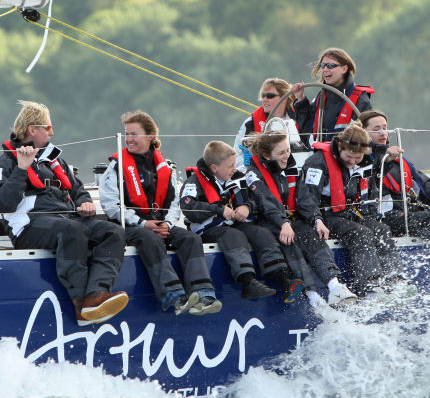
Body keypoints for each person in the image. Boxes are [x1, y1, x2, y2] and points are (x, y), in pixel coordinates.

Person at [0, 100, 128, 326]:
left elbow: (78, 190)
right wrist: (22, 168)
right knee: (72, 230)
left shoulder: (55, 160)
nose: (53, 132)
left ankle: (96, 296)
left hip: (67, 220)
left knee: (113, 232)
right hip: (29, 227)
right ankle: (82, 305)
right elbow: (0, 203)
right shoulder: (6, 163)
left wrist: (85, 203)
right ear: (33, 130)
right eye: (48, 127)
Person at [99, 110, 222, 316]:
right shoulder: (116, 167)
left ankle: (204, 294)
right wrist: (142, 223)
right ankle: (172, 295)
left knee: (190, 239)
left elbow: (174, 203)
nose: (128, 139)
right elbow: (111, 205)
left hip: (160, 224)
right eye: (126, 134)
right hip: (130, 227)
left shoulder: (164, 167)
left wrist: (168, 224)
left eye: (133, 134)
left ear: (150, 137)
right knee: (149, 238)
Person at [180, 140, 303, 302]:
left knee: (259, 232)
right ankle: (248, 282)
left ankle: (283, 277)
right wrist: (219, 209)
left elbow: (253, 198)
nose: (234, 169)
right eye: (230, 166)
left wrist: (246, 207)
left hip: (234, 223)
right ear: (214, 168)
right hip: (209, 228)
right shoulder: (194, 182)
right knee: (233, 235)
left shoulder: (237, 178)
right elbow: (188, 205)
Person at [245, 130, 358, 307]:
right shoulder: (253, 174)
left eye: (288, 150)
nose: (286, 156)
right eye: (281, 153)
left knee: (311, 234)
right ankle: (313, 297)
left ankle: (334, 286)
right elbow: (266, 202)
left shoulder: (293, 168)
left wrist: (317, 220)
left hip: (291, 221)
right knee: (289, 242)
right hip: (268, 222)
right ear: (267, 155)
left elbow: (305, 198)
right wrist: (283, 223)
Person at [296, 120, 401, 294]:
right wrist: (317, 220)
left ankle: (394, 278)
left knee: (381, 229)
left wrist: (388, 158)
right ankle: (368, 284)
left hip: (351, 213)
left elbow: (375, 178)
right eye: (348, 157)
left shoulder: (365, 160)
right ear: (339, 147)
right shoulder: (317, 163)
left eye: (357, 158)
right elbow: (306, 198)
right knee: (360, 233)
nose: (352, 161)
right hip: (326, 216)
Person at [358, 110, 430, 241]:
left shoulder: (399, 160)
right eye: (377, 129)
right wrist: (384, 159)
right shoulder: (359, 159)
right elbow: (371, 181)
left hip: (408, 212)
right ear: (363, 132)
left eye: (385, 128)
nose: (383, 133)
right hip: (385, 217)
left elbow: (425, 185)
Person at [295, 47, 374, 144]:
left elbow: (369, 135)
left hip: (348, 156)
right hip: (318, 155)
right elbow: (306, 130)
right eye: (323, 65)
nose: (325, 69)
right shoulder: (321, 97)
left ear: (344, 69)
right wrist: (301, 99)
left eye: (331, 66)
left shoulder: (360, 99)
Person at [234, 78, 308, 171]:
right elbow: (237, 155)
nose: (264, 99)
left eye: (270, 96)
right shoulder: (250, 123)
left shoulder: (299, 118)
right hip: (263, 175)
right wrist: (248, 165)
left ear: (284, 97)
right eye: (263, 96)